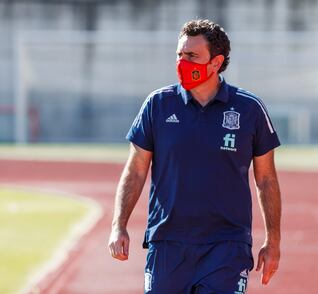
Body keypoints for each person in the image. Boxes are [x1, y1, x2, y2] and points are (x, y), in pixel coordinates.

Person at [108, 19, 282, 294]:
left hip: (227, 245)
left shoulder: (249, 109)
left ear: (215, 62)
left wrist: (273, 242)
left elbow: (266, 179)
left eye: (192, 56)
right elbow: (136, 170)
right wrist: (119, 225)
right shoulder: (158, 104)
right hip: (168, 243)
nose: (182, 62)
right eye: (179, 54)